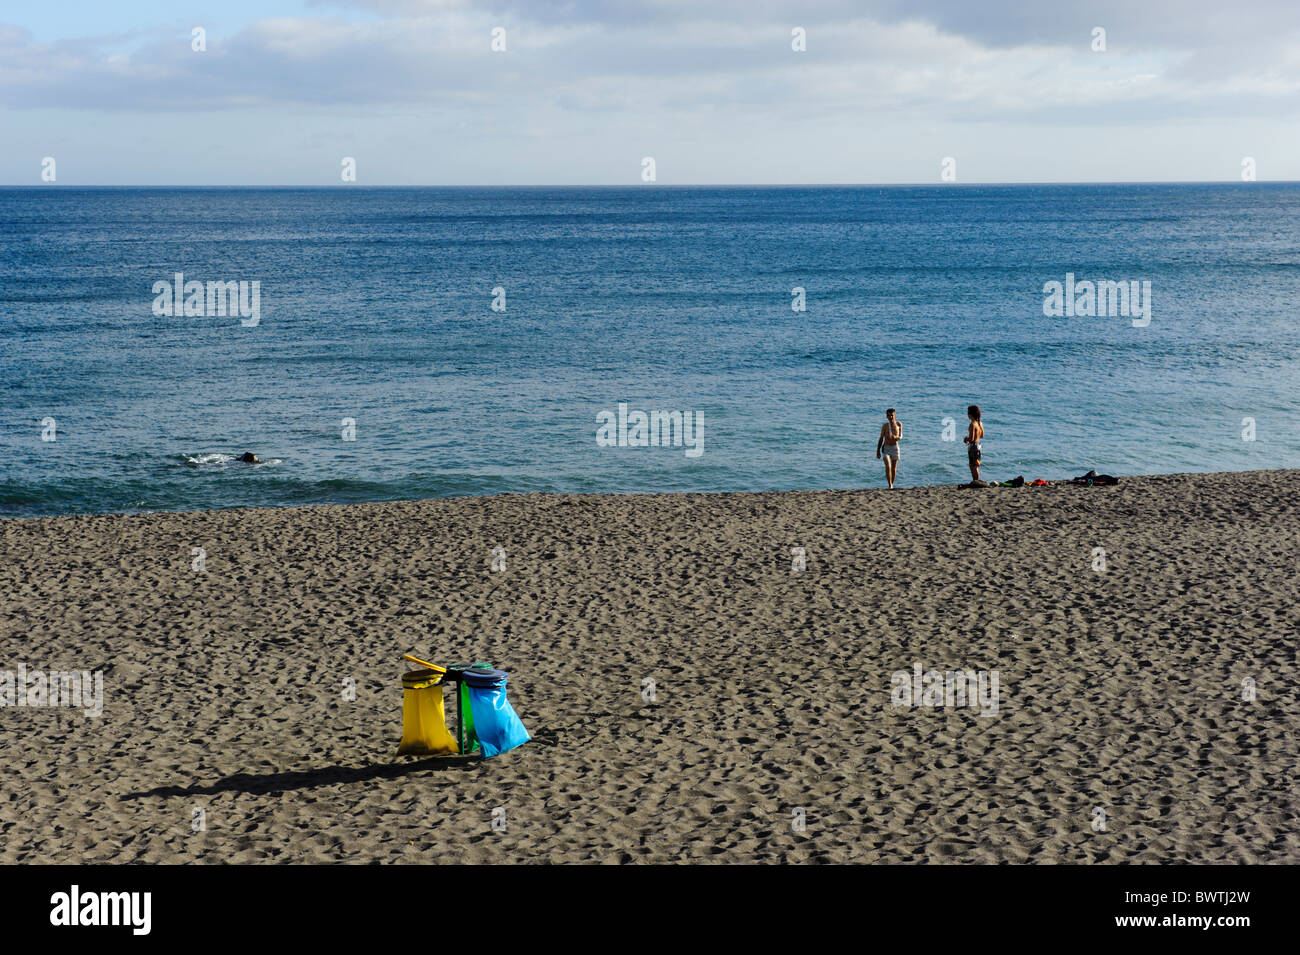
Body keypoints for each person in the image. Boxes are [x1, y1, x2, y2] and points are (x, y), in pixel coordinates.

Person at [876, 408, 902, 489]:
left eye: (892, 415)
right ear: (886, 416)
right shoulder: (885, 426)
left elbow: (901, 436)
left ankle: (891, 484)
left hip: (895, 448)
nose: (890, 417)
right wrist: (878, 451)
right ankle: (890, 484)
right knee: (888, 466)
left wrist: (896, 437)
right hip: (886, 448)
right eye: (889, 415)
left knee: (894, 469)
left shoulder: (899, 424)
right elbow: (881, 438)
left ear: (895, 415)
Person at [963, 405, 983, 482]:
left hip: (973, 446)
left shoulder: (972, 424)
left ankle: (975, 481)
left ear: (970, 414)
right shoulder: (979, 423)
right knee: (975, 465)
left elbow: (972, 438)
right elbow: (982, 435)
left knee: (972, 466)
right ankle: (976, 481)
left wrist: (966, 439)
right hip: (978, 445)